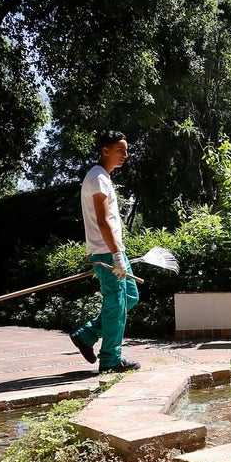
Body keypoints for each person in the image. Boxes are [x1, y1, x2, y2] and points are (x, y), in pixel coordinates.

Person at [69, 130, 141, 373]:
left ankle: (87, 334)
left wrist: (117, 252)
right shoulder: (98, 178)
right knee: (116, 302)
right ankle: (111, 359)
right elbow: (102, 221)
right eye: (120, 150)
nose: (125, 155)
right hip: (108, 252)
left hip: (112, 250)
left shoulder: (103, 177)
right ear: (105, 150)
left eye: (126, 150)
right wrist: (116, 255)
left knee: (129, 297)